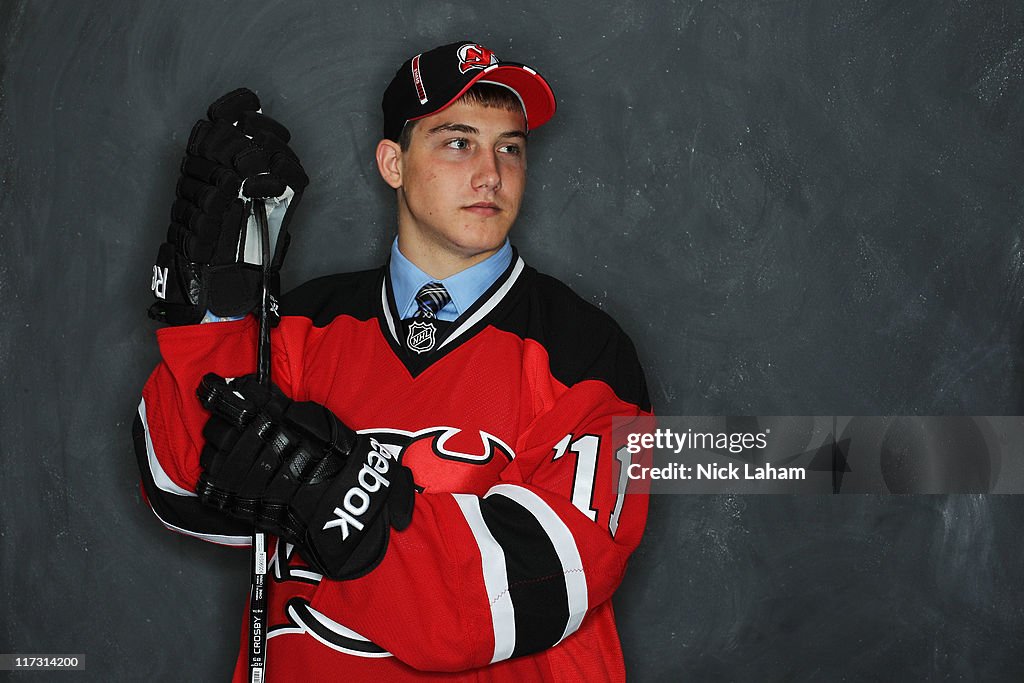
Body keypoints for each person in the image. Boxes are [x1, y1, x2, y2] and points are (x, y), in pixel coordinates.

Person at [133, 40, 652, 682]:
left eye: (510, 148)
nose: (491, 173)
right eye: (458, 142)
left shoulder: (588, 353)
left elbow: (536, 586)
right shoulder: (297, 328)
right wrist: (211, 319)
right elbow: (182, 489)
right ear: (393, 163)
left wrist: (338, 496)